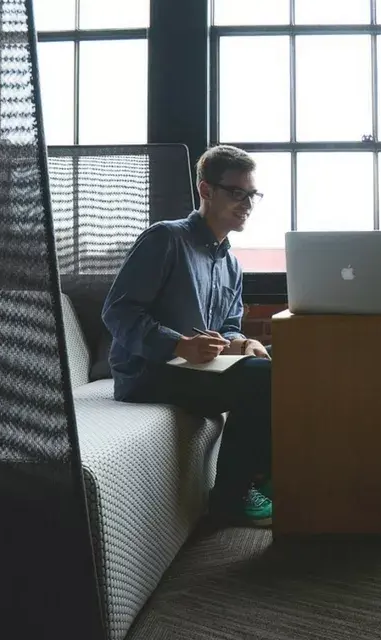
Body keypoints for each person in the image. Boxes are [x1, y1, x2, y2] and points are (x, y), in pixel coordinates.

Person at [101, 144, 274, 527]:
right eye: (236, 193)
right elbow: (118, 311)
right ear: (206, 190)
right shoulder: (165, 239)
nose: (246, 203)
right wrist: (178, 345)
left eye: (252, 195)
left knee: (283, 360)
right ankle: (230, 499)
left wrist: (242, 343)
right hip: (149, 373)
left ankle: (265, 474)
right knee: (265, 378)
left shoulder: (231, 264)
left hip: (199, 370)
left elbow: (228, 325)